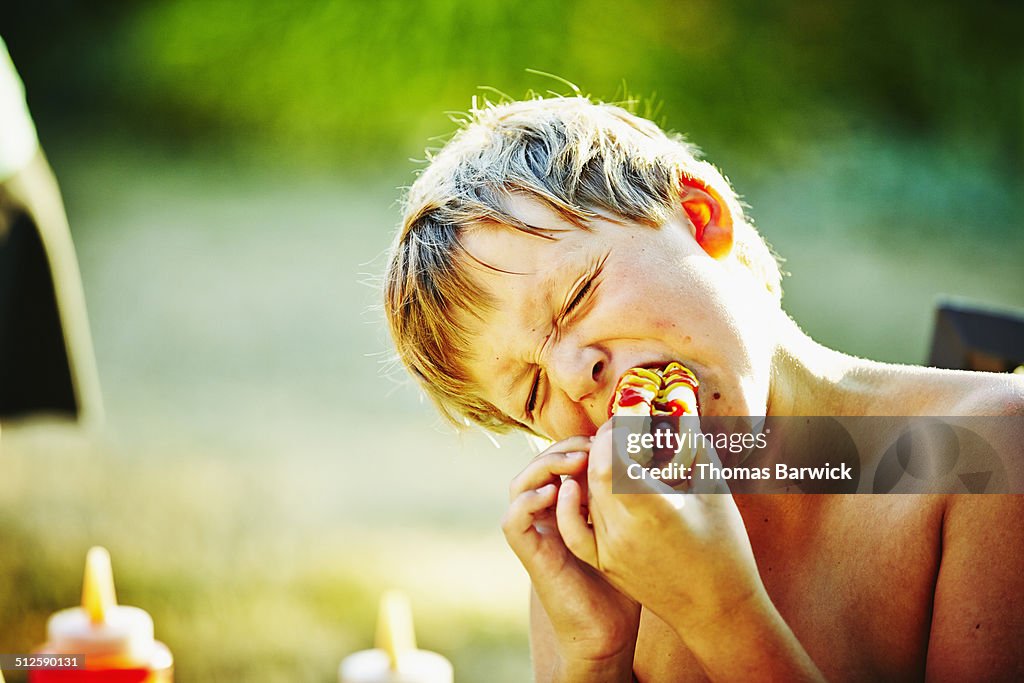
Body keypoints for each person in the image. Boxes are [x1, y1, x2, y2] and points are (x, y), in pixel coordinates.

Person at [384, 96, 1024, 681]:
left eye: (577, 297)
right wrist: (593, 658)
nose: (576, 375)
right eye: (530, 393)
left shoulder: (989, 447)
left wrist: (720, 610)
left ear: (699, 217)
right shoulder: (600, 555)